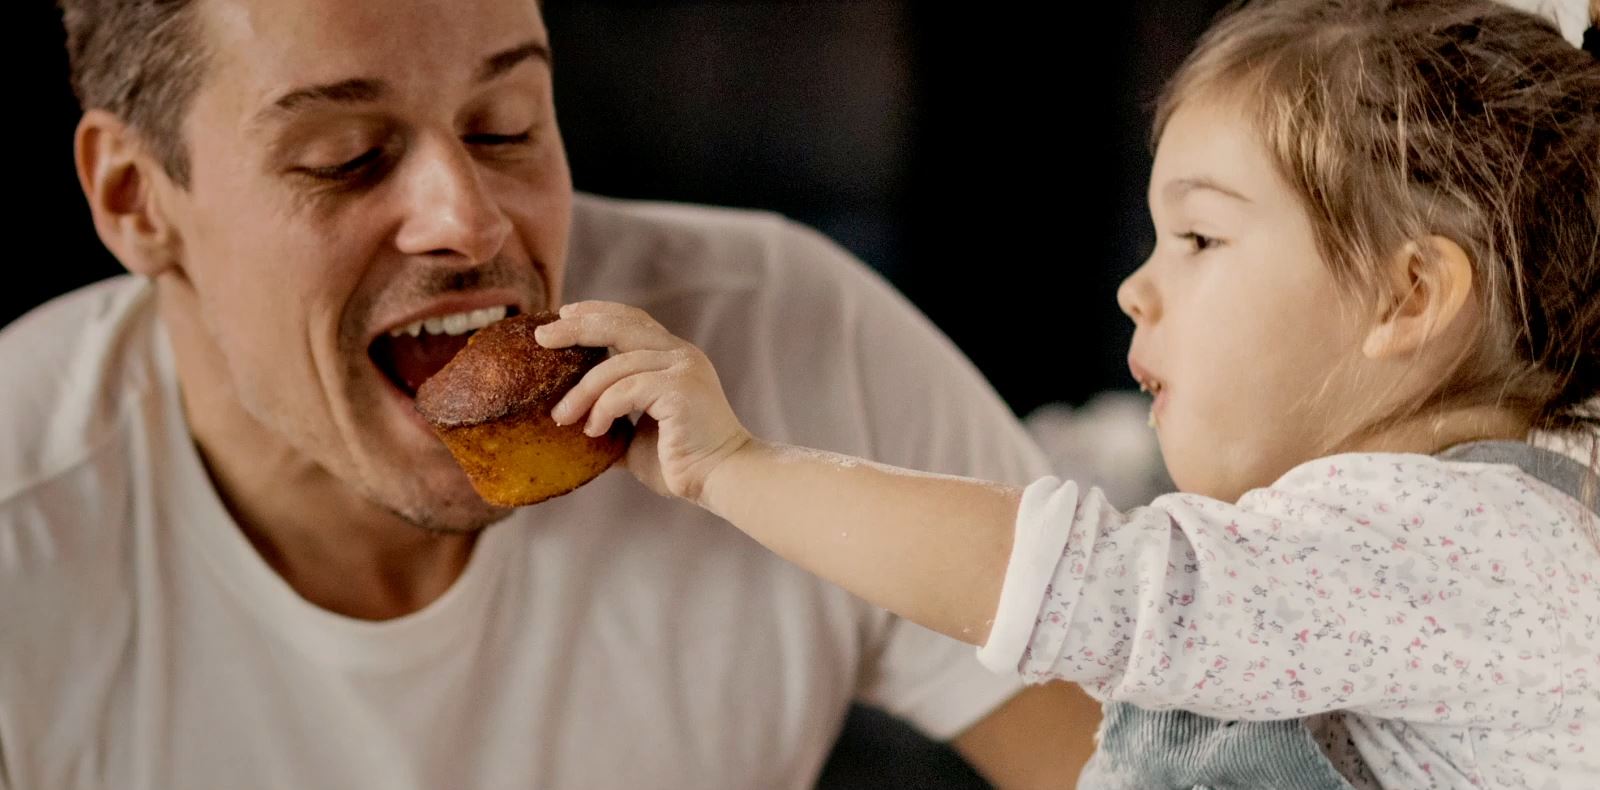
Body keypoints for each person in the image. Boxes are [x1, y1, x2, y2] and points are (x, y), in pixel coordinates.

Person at [0, 0, 1099, 787]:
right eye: (344, 155)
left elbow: (1154, 761)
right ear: (136, 197)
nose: (469, 221)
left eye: (505, 127)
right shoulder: (23, 528)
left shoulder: (791, 342)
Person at [536, 1, 1600, 787]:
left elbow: (1073, 582)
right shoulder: (1432, 537)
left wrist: (736, 467)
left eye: (1198, 236)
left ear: (1408, 295)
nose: (1137, 287)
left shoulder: (1463, 540)